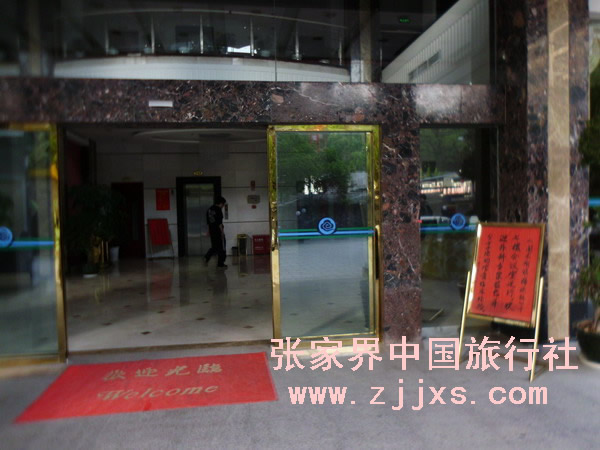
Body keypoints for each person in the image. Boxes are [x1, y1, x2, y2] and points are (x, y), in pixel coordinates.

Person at [204, 196, 227, 268]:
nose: (223, 206)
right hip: (218, 231)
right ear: (221, 203)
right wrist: (222, 232)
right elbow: (219, 223)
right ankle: (220, 263)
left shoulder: (209, 209)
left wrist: (209, 231)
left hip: (212, 231)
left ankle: (207, 256)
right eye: (223, 204)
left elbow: (208, 222)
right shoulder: (218, 210)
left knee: (214, 246)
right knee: (221, 247)